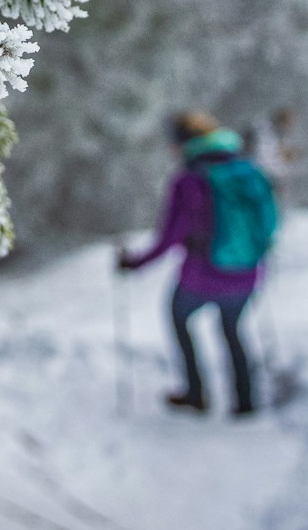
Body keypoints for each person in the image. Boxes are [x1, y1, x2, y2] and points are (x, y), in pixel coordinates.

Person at [118, 110, 279, 417]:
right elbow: (270, 223)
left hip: (202, 276)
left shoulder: (188, 180)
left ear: (183, 143)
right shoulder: (247, 170)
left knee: (180, 318)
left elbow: (169, 239)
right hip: (246, 274)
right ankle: (245, 401)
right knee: (232, 329)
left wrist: (133, 264)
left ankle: (196, 393)